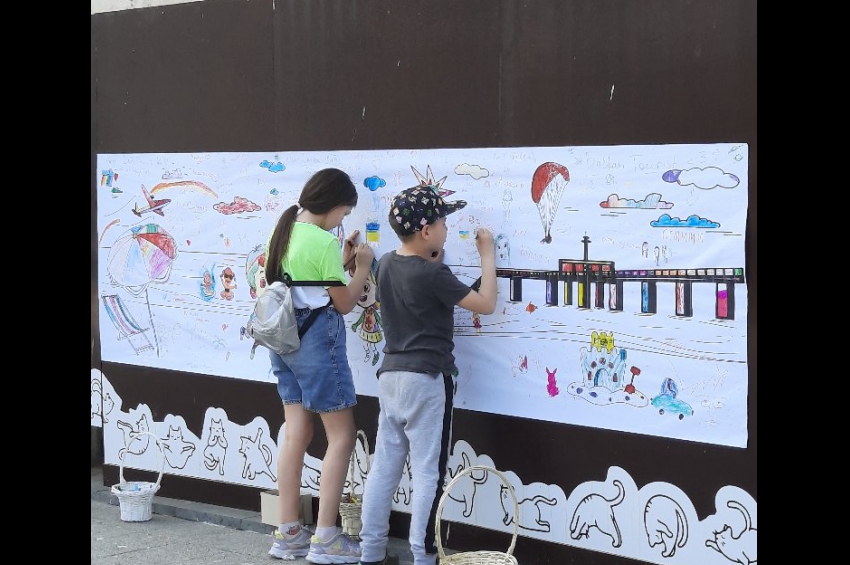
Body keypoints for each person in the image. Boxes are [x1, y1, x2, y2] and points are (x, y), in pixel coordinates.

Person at [357, 185, 497, 565]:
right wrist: (487, 255)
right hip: (428, 380)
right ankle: (423, 556)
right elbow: (485, 303)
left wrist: (432, 257)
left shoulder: (387, 263)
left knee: (384, 467)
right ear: (425, 231)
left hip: (390, 377)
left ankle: (371, 551)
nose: (447, 228)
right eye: (442, 222)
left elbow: (414, 277)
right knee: (427, 472)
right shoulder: (436, 275)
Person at [265, 168, 374, 564]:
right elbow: (342, 304)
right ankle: (326, 537)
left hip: (282, 342)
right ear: (333, 205)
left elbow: (305, 283)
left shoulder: (284, 230)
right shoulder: (323, 240)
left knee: (296, 432)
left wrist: (340, 263)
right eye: (344, 212)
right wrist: (362, 266)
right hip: (316, 343)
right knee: (341, 435)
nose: (342, 221)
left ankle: (289, 532)